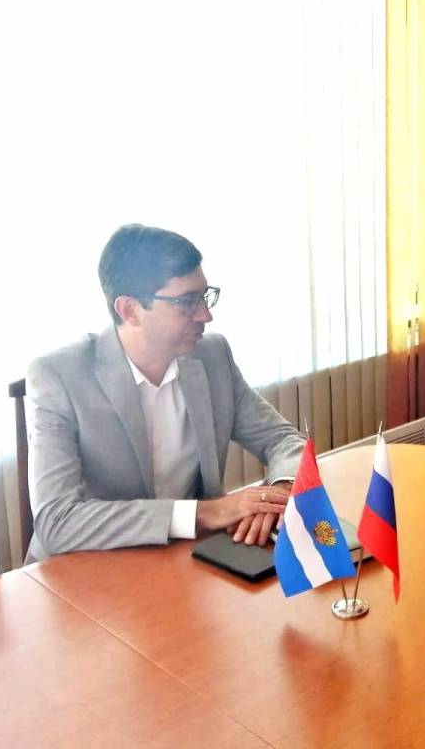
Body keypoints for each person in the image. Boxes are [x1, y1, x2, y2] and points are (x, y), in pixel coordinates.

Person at [25, 224, 303, 561]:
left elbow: (282, 439)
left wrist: (277, 495)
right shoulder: (59, 377)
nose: (206, 315)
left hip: (186, 559)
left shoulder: (212, 356)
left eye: (204, 296)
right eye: (186, 302)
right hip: (86, 570)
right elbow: (56, 521)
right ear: (129, 310)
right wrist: (205, 513)